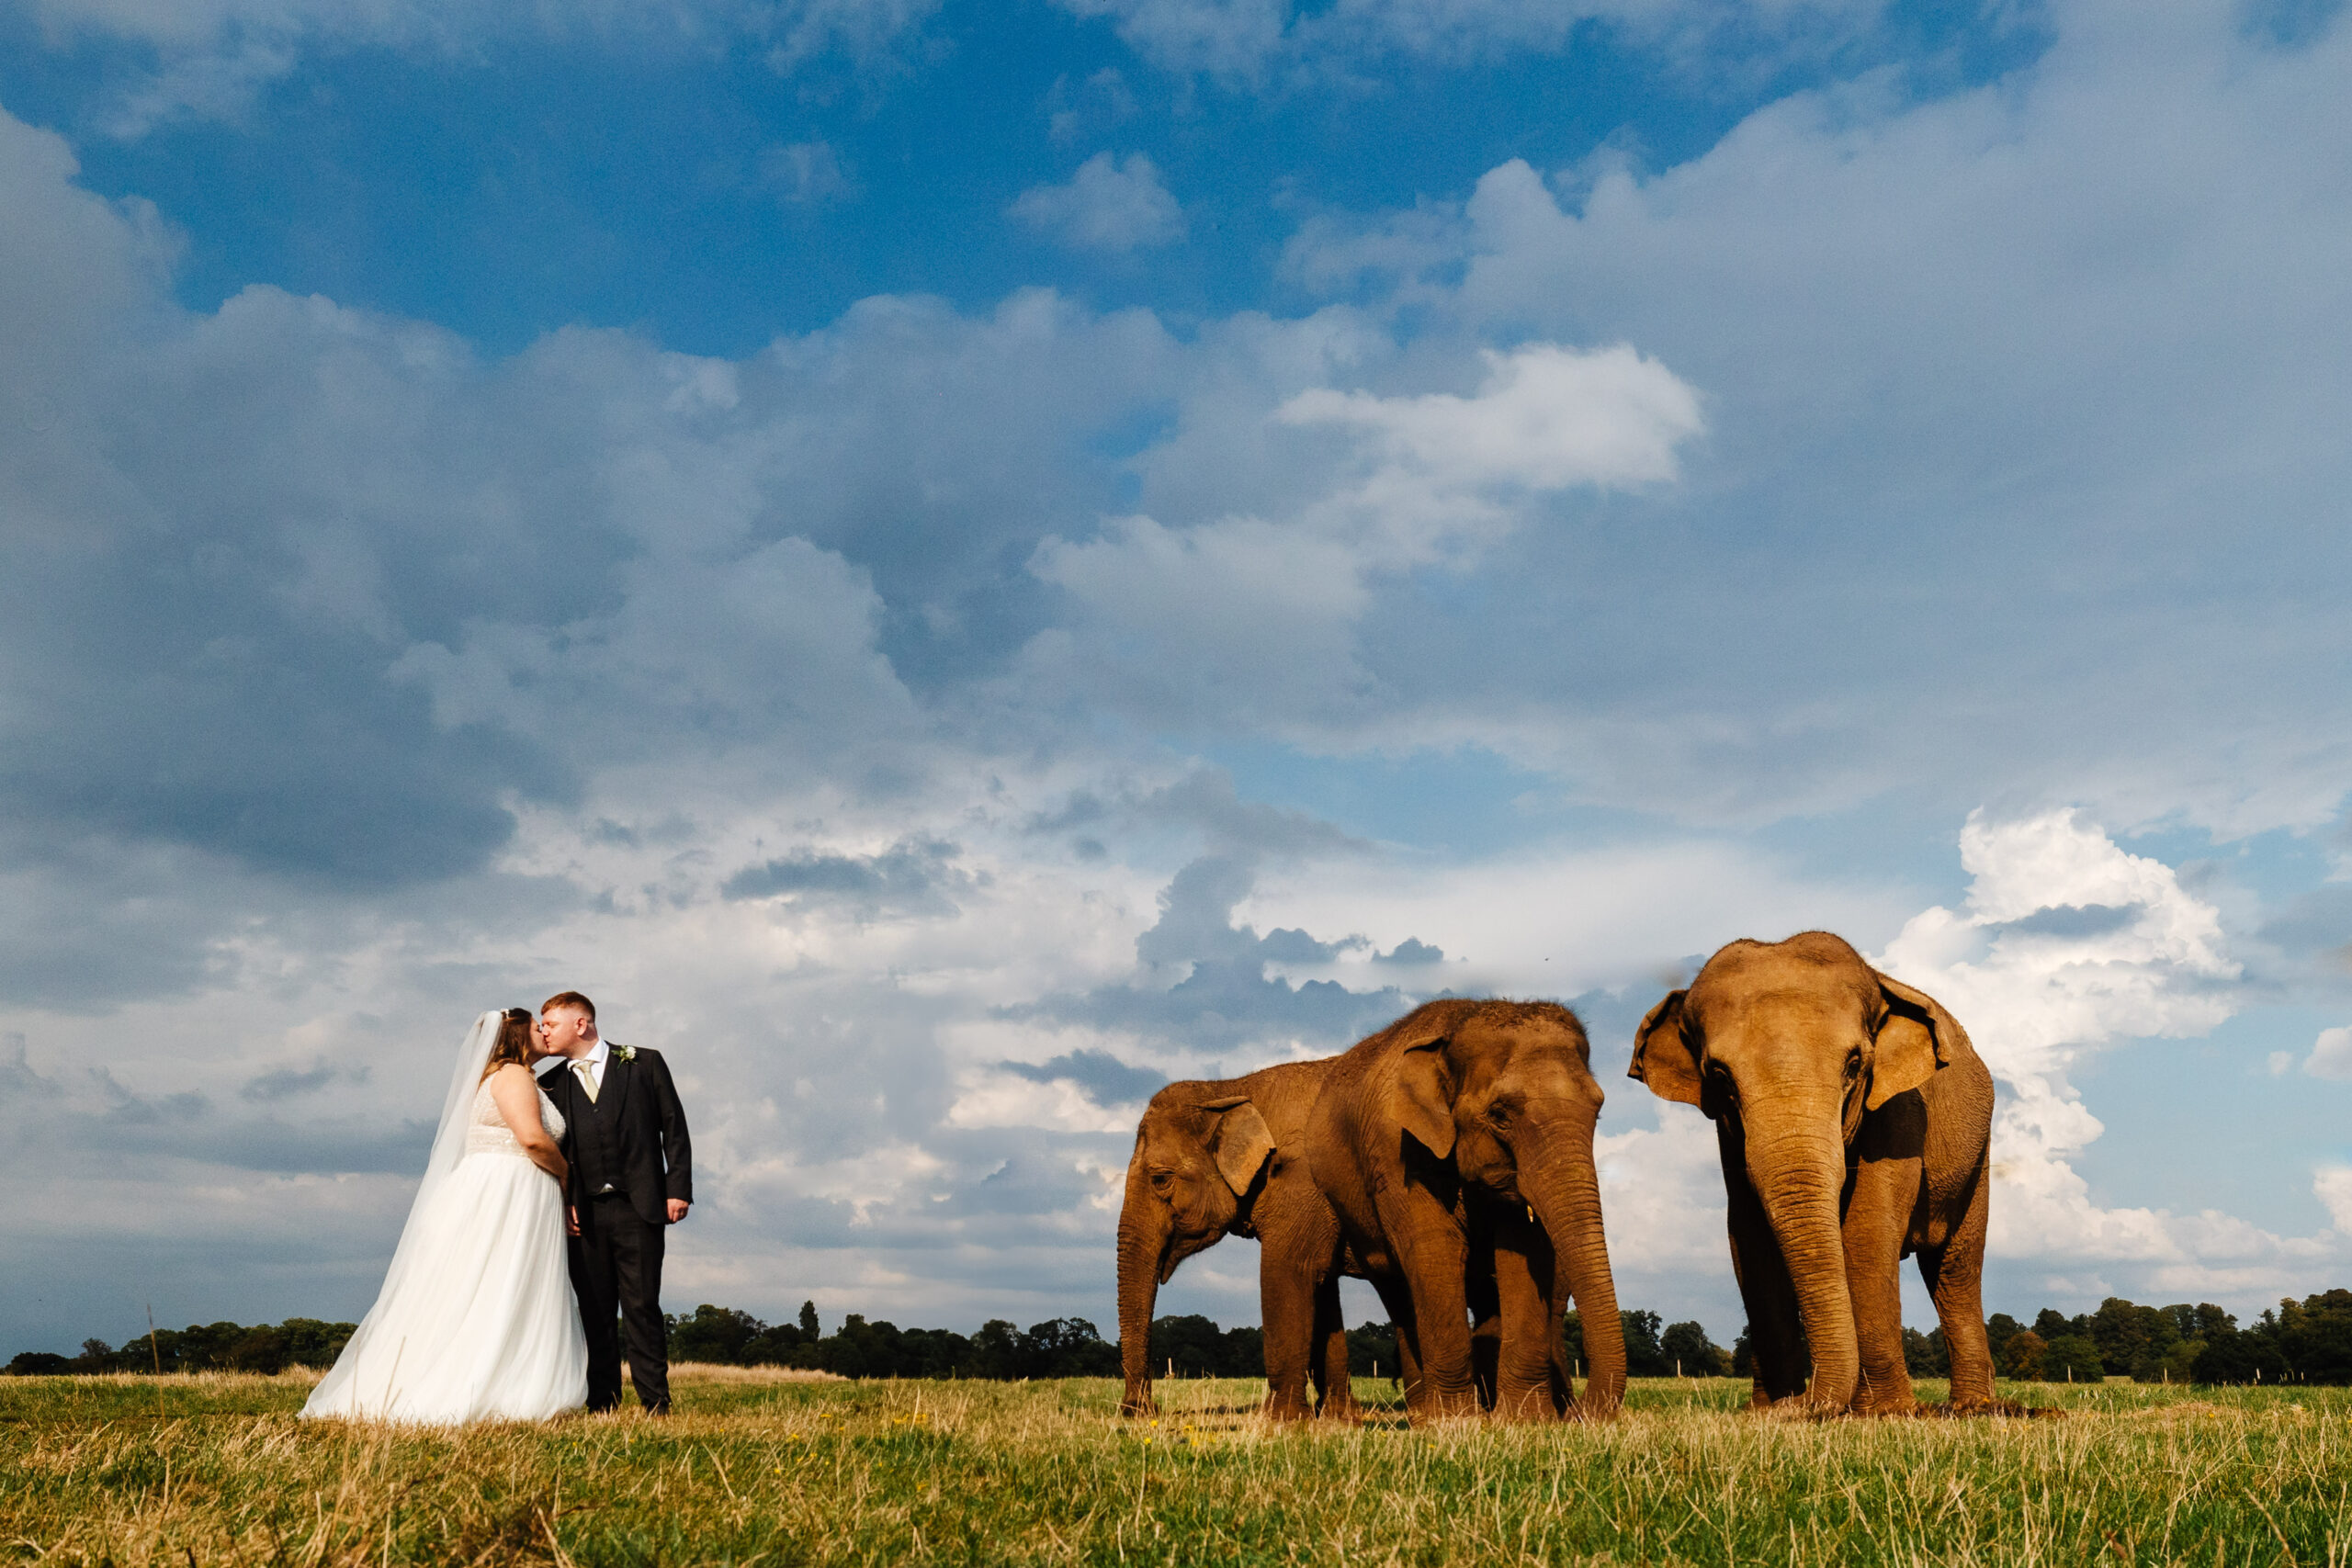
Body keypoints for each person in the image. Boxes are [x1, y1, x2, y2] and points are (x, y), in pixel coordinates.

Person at [301, 1009, 588, 1422]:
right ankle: (487, 1384)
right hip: (508, 1192)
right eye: (536, 1025)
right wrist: (567, 1178)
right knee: (499, 1283)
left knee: (499, 1284)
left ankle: (507, 1376)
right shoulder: (512, 1075)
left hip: (509, 1189)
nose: (544, 1031)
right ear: (517, 1034)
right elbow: (532, 1139)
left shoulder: (508, 1076)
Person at [536, 991, 693, 1416]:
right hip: (582, 1214)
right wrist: (563, 1200)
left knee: (642, 1306)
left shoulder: (645, 1063)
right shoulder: (549, 1082)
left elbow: (673, 1129)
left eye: (550, 1023)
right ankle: (602, 1403)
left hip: (641, 1205)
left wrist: (677, 1188)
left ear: (581, 1024)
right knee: (595, 1310)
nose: (543, 1031)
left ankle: (656, 1404)